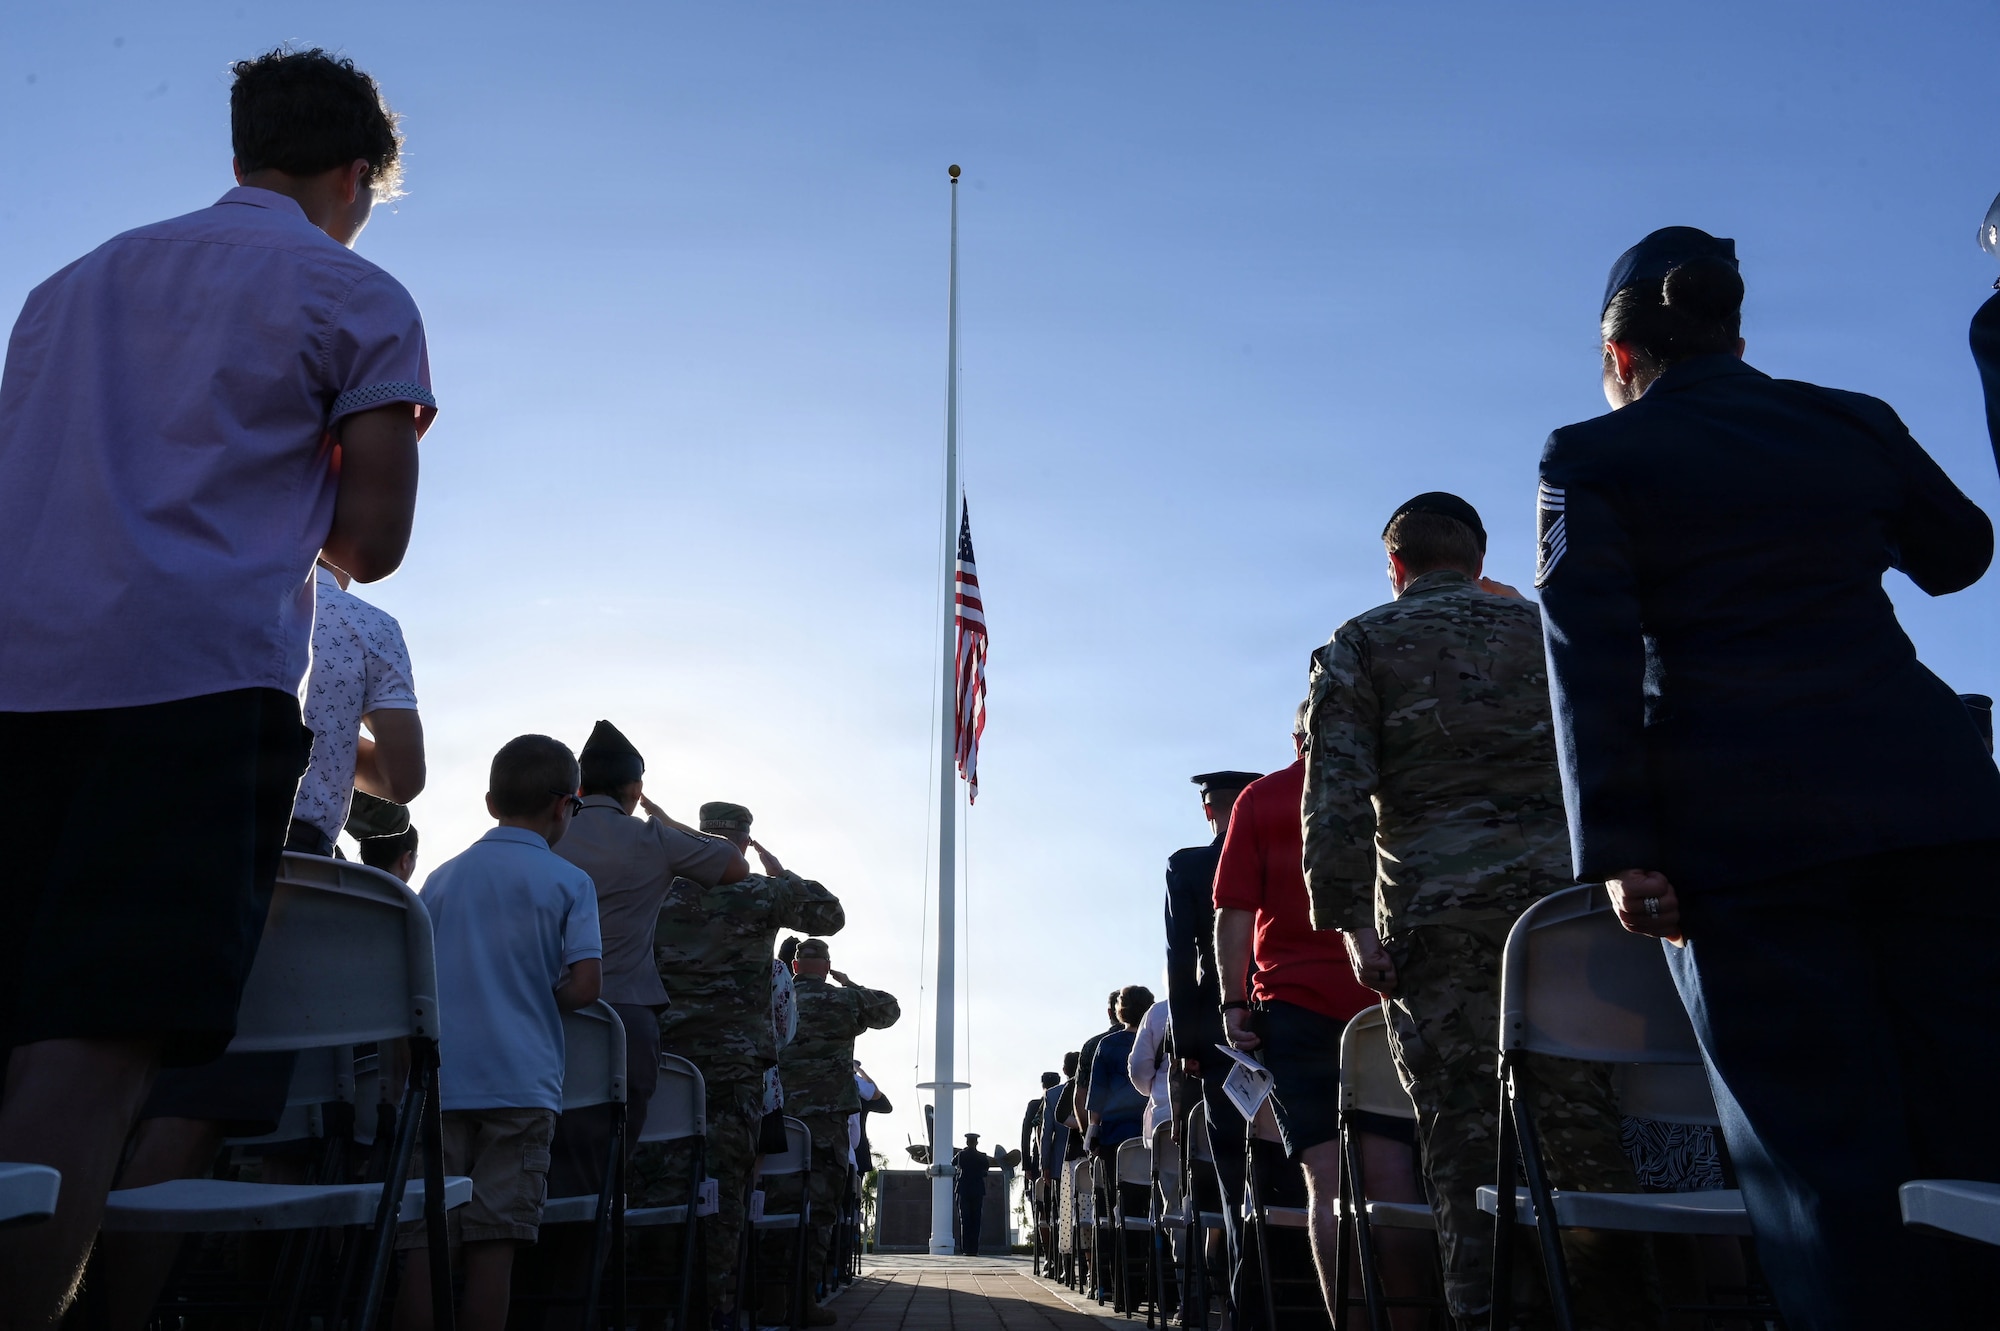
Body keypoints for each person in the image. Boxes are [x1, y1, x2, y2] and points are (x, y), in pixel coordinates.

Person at [0, 47, 431, 1323]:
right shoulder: (351, 293)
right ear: (357, 175)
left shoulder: (66, 290)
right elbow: (369, 545)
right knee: (91, 1049)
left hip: (20, 680)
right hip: (187, 695)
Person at [1540, 225, 2000, 1328]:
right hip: (1935, 808)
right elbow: (1958, 553)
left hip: (1742, 840)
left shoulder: (1594, 454)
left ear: (1617, 358)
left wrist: (1615, 846)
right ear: (1733, 333)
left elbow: (1586, 647)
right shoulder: (1848, 418)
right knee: (1975, 1132)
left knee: (1817, 1163)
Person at [1303, 492, 1659, 1329]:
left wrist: (1353, 925)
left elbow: (1337, 796)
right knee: (1585, 1143)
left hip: (1440, 934)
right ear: (1478, 556)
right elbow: (1626, 744)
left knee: (1465, 1152)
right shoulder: (1546, 632)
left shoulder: (1360, 642)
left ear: (1395, 565)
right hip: (1569, 927)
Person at [1213, 706, 1421, 1324]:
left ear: (1297, 735)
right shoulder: (1391, 786)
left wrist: (1232, 1000)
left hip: (1295, 1006)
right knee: (1393, 1180)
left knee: (1325, 1185)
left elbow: (1234, 911)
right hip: (1384, 1005)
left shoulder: (1262, 798)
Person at [394, 735, 602, 1331]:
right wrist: (537, 996)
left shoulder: (441, 878)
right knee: (495, 1247)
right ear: (565, 805)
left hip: (442, 1084)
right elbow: (586, 985)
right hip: (522, 1083)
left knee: (426, 1242)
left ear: (490, 802)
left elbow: (416, 982)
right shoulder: (569, 882)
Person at [636, 802, 843, 1328]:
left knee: (651, 1188)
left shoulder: (660, 886)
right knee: (724, 1197)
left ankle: (652, 1308)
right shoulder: (761, 892)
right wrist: (778, 870)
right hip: (732, 1070)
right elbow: (828, 914)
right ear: (745, 843)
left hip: (660, 1061)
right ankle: (714, 1311)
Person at [546, 721, 748, 1200]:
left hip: (545, 1013)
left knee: (537, 1161)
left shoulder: (549, 833)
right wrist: (668, 823)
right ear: (635, 789)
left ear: (578, 786)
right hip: (625, 1018)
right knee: (605, 1176)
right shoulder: (654, 838)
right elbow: (734, 865)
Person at [1161, 771, 1259, 1321]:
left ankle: (1243, 1302)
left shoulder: (1190, 865)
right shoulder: (1288, 849)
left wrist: (1187, 1043)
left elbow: (1180, 957)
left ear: (1209, 811)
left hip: (1221, 1023)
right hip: (1287, 1014)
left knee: (1232, 1170)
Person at [778, 938, 900, 1317]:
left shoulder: (772, 995)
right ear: (827, 967)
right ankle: (803, 1301)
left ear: (795, 967)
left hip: (775, 1115)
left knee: (768, 1203)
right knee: (817, 1212)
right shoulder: (844, 1001)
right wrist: (849, 984)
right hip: (826, 1119)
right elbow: (889, 1009)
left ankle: (764, 1299)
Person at [287, 558, 426, 855]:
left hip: (181, 833)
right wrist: (332, 736)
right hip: (297, 855)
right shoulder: (369, 625)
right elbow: (403, 779)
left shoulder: (213, 600)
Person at [953, 1133, 993, 1256]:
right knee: (976, 1220)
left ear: (967, 1143)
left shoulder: (962, 1155)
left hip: (964, 1189)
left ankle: (966, 1249)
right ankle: (974, 1249)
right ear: (977, 1143)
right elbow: (986, 1170)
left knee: (964, 1220)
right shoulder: (982, 1157)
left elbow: (953, 1162)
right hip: (977, 1190)